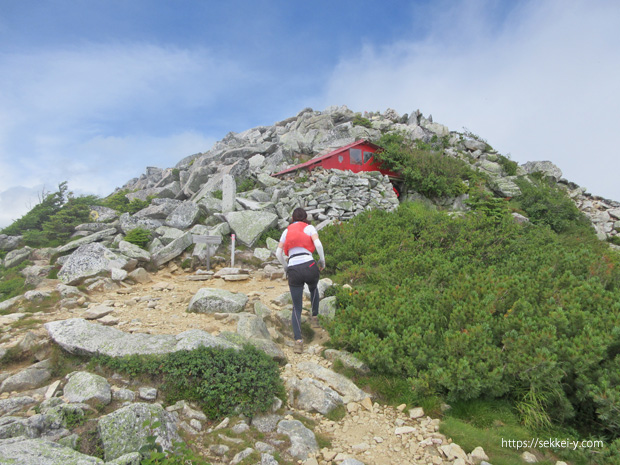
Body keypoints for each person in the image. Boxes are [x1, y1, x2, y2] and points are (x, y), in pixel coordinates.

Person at [276, 207, 325, 354]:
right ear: (305, 217)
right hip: (309, 264)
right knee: (313, 288)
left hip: (294, 268)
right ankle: (314, 317)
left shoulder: (286, 231)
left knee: (296, 307)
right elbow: (318, 245)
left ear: (292, 218)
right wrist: (322, 261)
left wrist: (286, 267)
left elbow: (278, 252)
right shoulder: (309, 228)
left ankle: (298, 342)